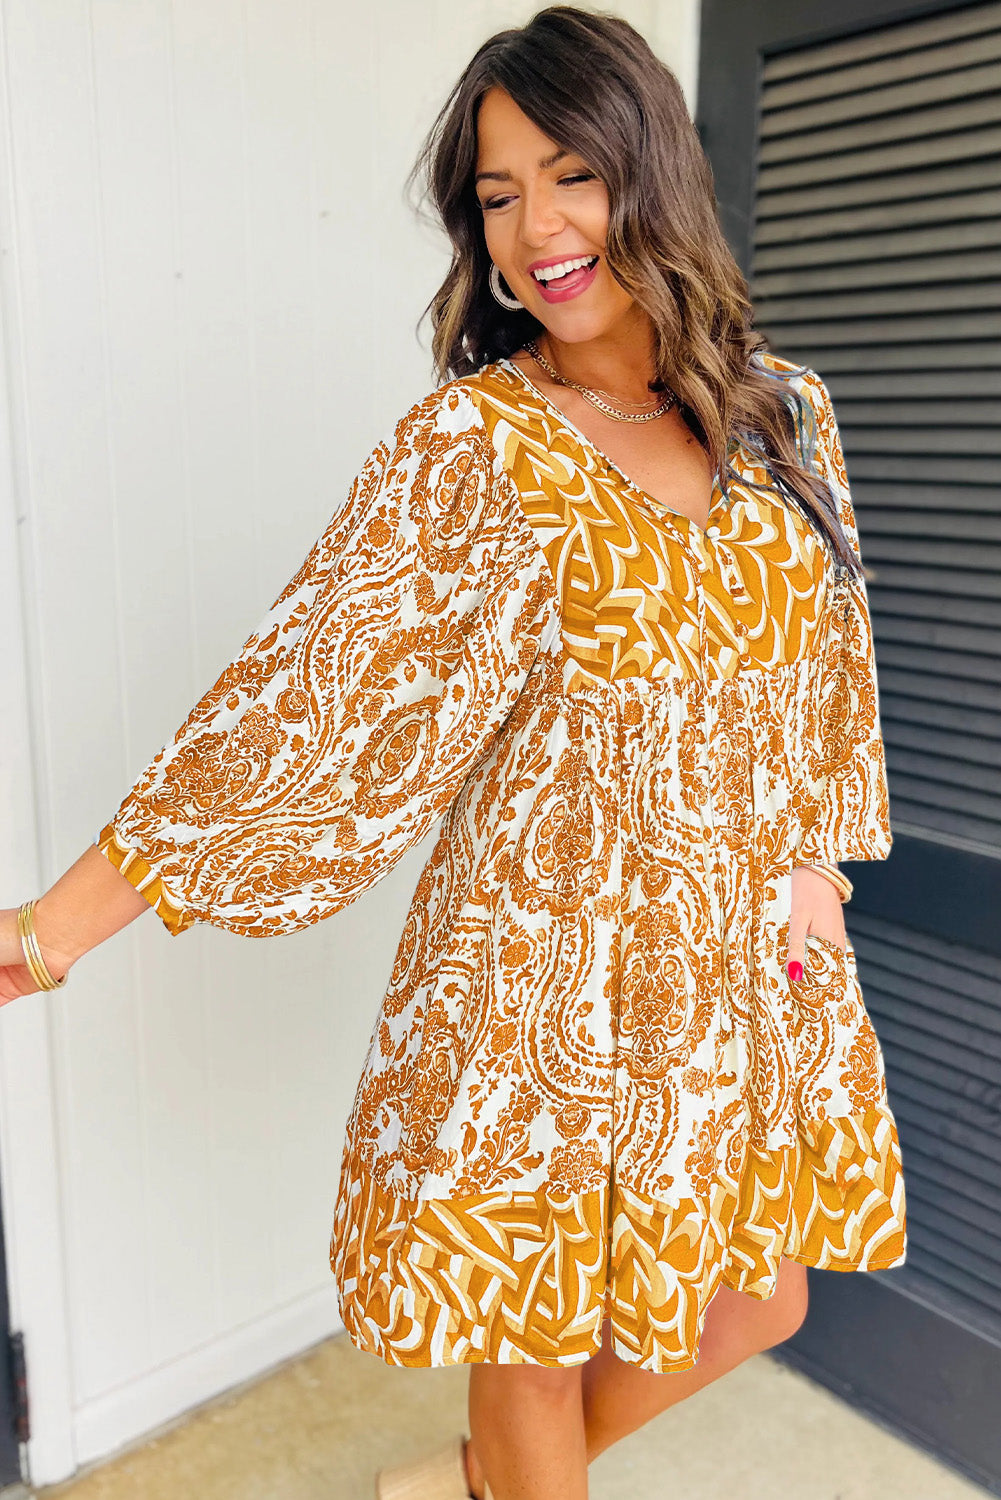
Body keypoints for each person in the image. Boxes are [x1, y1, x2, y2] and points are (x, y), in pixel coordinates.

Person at [1, 7, 907, 1499]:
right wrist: (49, 934)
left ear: (652, 173)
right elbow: (298, 706)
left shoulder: (782, 414)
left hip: (740, 961)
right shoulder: (474, 447)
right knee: (531, 1337)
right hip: (535, 963)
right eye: (497, 195)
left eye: (571, 175)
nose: (536, 230)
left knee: (760, 1297)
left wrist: (811, 867)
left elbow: (822, 670)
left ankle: (482, 1481)